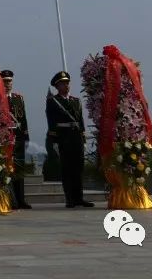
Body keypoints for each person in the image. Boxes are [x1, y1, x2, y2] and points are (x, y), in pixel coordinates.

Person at [45, 70, 93, 208]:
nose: (66, 86)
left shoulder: (76, 101)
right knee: (67, 169)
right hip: (63, 137)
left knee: (78, 168)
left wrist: (83, 138)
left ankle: (79, 198)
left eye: (67, 83)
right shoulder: (53, 101)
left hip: (76, 137)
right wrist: (54, 140)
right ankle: (70, 199)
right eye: (62, 84)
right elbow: (51, 121)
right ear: (57, 86)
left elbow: (80, 120)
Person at [1, 69, 32, 210]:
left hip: (18, 137)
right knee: (6, 169)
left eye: (9, 81)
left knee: (19, 170)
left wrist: (26, 137)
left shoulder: (18, 98)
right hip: (4, 138)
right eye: (5, 81)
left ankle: (21, 199)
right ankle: (10, 199)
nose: (8, 84)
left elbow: (23, 118)